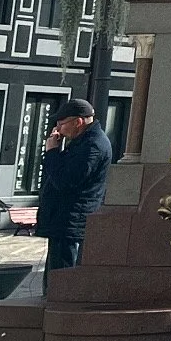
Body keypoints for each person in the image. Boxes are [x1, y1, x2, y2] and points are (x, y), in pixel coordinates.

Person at [33, 98, 110, 274]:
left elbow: (65, 181)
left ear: (78, 122)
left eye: (61, 124)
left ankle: (58, 301)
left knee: (62, 273)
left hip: (72, 221)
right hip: (64, 219)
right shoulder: (82, 142)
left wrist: (52, 152)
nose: (58, 129)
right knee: (55, 272)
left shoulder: (93, 145)